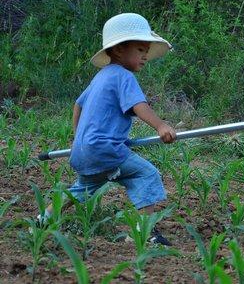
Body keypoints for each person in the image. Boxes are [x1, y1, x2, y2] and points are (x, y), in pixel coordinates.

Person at [40, 13, 177, 245]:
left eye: (146, 51)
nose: (145, 57)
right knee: (147, 174)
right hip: (105, 149)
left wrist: (78, 139)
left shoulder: (101, 76)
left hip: (84, 151)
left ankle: (43, 219)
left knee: (82, 188)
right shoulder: (124, 76)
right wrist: (160, 125)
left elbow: (78, 105)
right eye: (140, 50)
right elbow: (139, 106)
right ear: (119, 50)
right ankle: (143, 233)